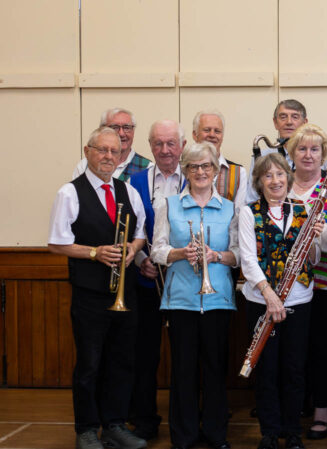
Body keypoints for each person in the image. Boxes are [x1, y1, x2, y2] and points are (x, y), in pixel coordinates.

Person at [48, 126, 148, 449]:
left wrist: (133, 249)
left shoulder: (128, 191)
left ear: (121, 156)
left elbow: (141, 232)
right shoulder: (70, 192)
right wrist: (94, 252)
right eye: (101, 150)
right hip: (89, 295)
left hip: (125, 292)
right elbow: (57, 243)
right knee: (90, 365)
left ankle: (115, 424)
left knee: (122, 361)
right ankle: (87, 429)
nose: (108, 156)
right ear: (87, 151)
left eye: (114, 151)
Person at [150, 142, 239, 449]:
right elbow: (156, 250)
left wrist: (217, 256)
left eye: (206, 166)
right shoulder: (169, 204)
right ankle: (184, 436)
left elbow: (239, 254)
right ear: (184, 170)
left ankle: (216, 434)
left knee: (215, 370)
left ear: (216, 170)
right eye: (193, 166)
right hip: (181, 301)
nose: (200, 172)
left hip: (218, 300)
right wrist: (178, 252)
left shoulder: (230, 208)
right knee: (183, 371)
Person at [239, 152, 324, 449]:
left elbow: (313, 259)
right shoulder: (250, 212)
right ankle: (270, 432)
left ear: (288, 179)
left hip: (299, 299)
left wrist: (315, 239)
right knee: (267, 369)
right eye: (268, 176)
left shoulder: (304, 208)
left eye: (280, 175)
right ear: (259, 181)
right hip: (262, 300)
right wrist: (269, 294)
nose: (275, 181)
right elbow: (248, 261)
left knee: (294, 368)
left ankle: (293, 432)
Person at [284, 124, 327, 441]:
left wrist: (315, 232)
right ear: (292, 153)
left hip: (324, 284)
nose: (308, 154)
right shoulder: (280, 183)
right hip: (285, 284)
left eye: (314, 149)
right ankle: (293, 409)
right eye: (302, 149)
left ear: (324, 154)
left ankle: (322, 411)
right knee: (291, 352)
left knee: (320, 350)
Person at [127, 120, 187, 441]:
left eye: (171, 143)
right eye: (158, 144)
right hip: (147, 283)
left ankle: (184, 422)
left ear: (182, 145)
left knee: (184, 357)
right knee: (145, 355)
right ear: (150, 146)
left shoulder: (194, 176)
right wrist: (140, 261)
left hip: (184, 283)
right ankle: (145, 420)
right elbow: (130, 229)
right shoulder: (135, 181)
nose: (165, 150)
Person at [192, 109, 254, 209]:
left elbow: (238, 214)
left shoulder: (238, 173)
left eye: (217, 131)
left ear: (222, 137)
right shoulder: (184, 168)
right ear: (195, 135)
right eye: (207, 130)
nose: (212, 135)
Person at [72, 108, 152, 181]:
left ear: (133, 131)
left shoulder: (148, 168)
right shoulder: (84, 165)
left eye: (126, 127)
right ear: (102, 130)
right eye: (115, 127)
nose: (121, 133)